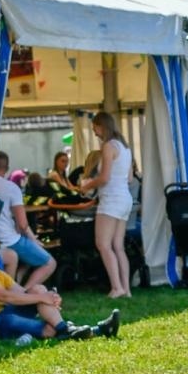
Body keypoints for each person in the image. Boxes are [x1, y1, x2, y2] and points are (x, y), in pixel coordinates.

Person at [0, 231, 108, 343]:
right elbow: (5, 296)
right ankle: (94, 330)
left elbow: (22, 292)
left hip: (3, 313)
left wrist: (49, 296)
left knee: (38, 289)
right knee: (49, 329)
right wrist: (43, 298)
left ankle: (65, 328)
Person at [76, 111, 134, 299]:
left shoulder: (108, 146)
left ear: (102, 126)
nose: (95, 132)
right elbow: (130, 178)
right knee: (118, 246)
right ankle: (126, 289)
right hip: (125, 199)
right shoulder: (125, 148)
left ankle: (116, 287)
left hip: (111, 199)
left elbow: (104, 177)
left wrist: (86, 185)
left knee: (103, 244)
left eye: (95, 128)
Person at [0, 150, 55, 287]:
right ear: (6, 168)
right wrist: (34, 240)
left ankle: (18, 279)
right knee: (50, 263)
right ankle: (25, 291)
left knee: (27, 251)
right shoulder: (11, 188)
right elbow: (23, 225)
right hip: (8, 239)